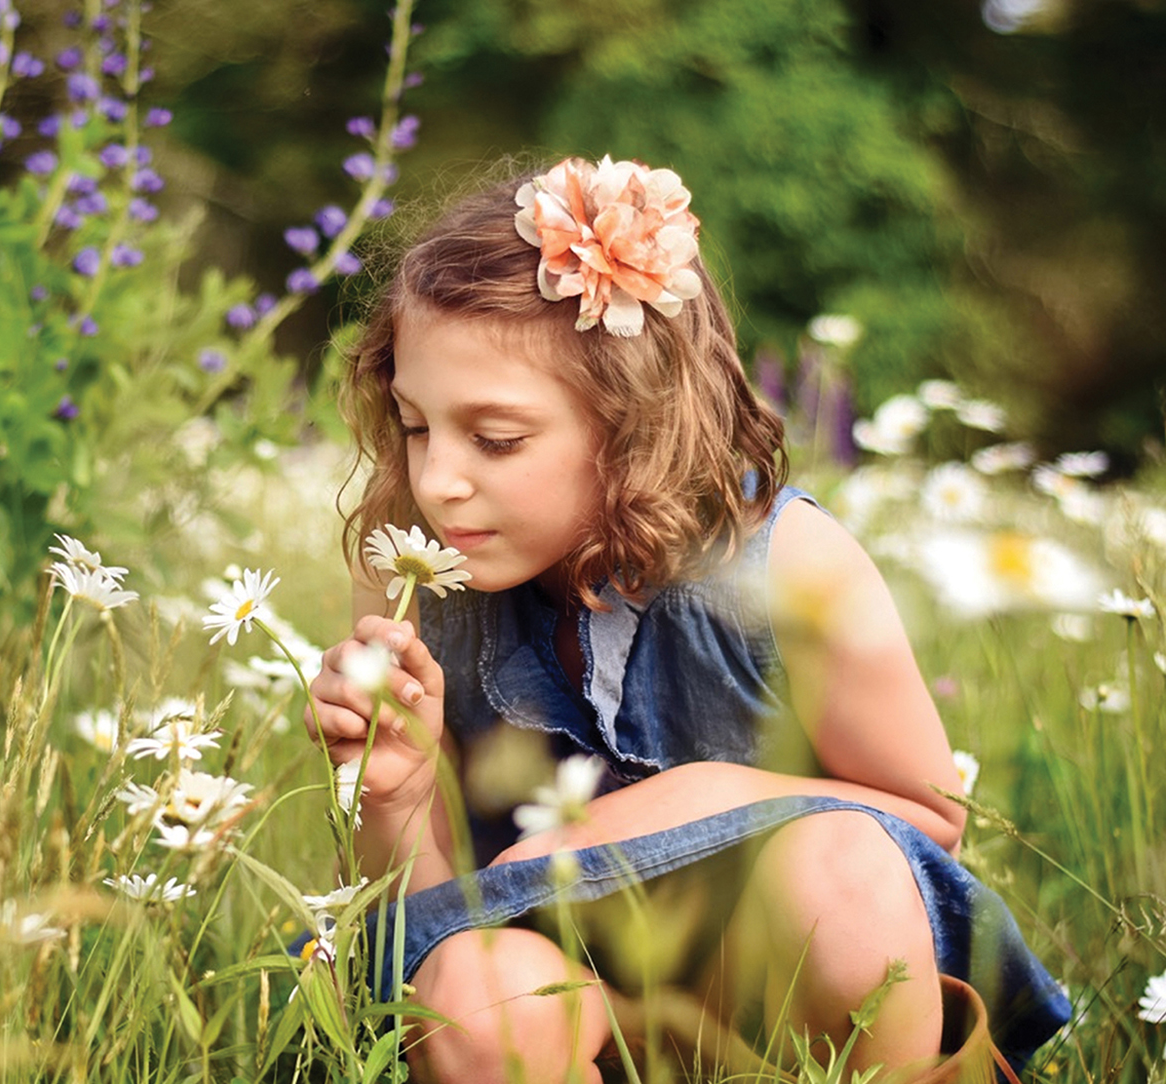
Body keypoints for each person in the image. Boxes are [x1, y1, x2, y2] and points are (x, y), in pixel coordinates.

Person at [304, 155, 1068, 1083]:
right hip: (563, 991)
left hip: (782, 993)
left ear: (633, 421)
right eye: (416, 425)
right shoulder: (414, 575)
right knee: (464, 1003)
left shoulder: (787, 566)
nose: (436, 481)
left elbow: (930, 820)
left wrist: (695, 796)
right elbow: (431, 922)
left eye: (496, 439)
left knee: (851, 877)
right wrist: (396, 793)